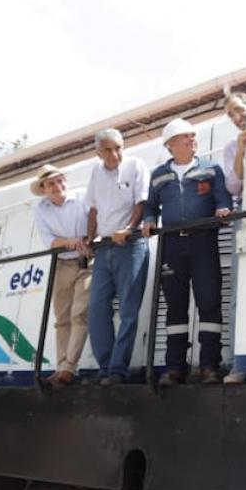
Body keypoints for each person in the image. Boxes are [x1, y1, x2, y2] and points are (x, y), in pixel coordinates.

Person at [141, 118, 232, 386]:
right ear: (171, 145)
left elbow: (223, 199)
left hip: (204, 242)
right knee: (175, 307)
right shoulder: (158, 175)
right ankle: (174, 368)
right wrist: (148, 220)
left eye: (194, 136)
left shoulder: (211, 169)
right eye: (186, 137)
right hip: (172, 246)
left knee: (209, 302)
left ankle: (209, 366)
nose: (192, 139)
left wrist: (223, 209)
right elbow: (150, 207)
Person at [83, 129, 151, 387]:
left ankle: (117, 370)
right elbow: (92, 209)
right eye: (108, 150)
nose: (114, 154)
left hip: (130, 245)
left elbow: (141, 201)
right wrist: (89, 240)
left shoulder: (136, 165)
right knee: (97, 310)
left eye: (118, 148)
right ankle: (105, 366)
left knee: (128, 311)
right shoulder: (95, 172)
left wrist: (130, 229)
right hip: (104, 248)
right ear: (98, 152)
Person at [30, 163, 91, 387]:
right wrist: (70, 242)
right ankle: (60, 366)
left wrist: (85, 240)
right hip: (62, 264)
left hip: (87, 261)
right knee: (61, 319)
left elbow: (95, 223)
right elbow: (49, 241)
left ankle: (68, 368)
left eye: (59, 180)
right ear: (44, 189)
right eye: (50, 184)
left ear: (65, 180)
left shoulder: (83, 198)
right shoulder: (40, 209)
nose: (57, 186)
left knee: (79, 313)